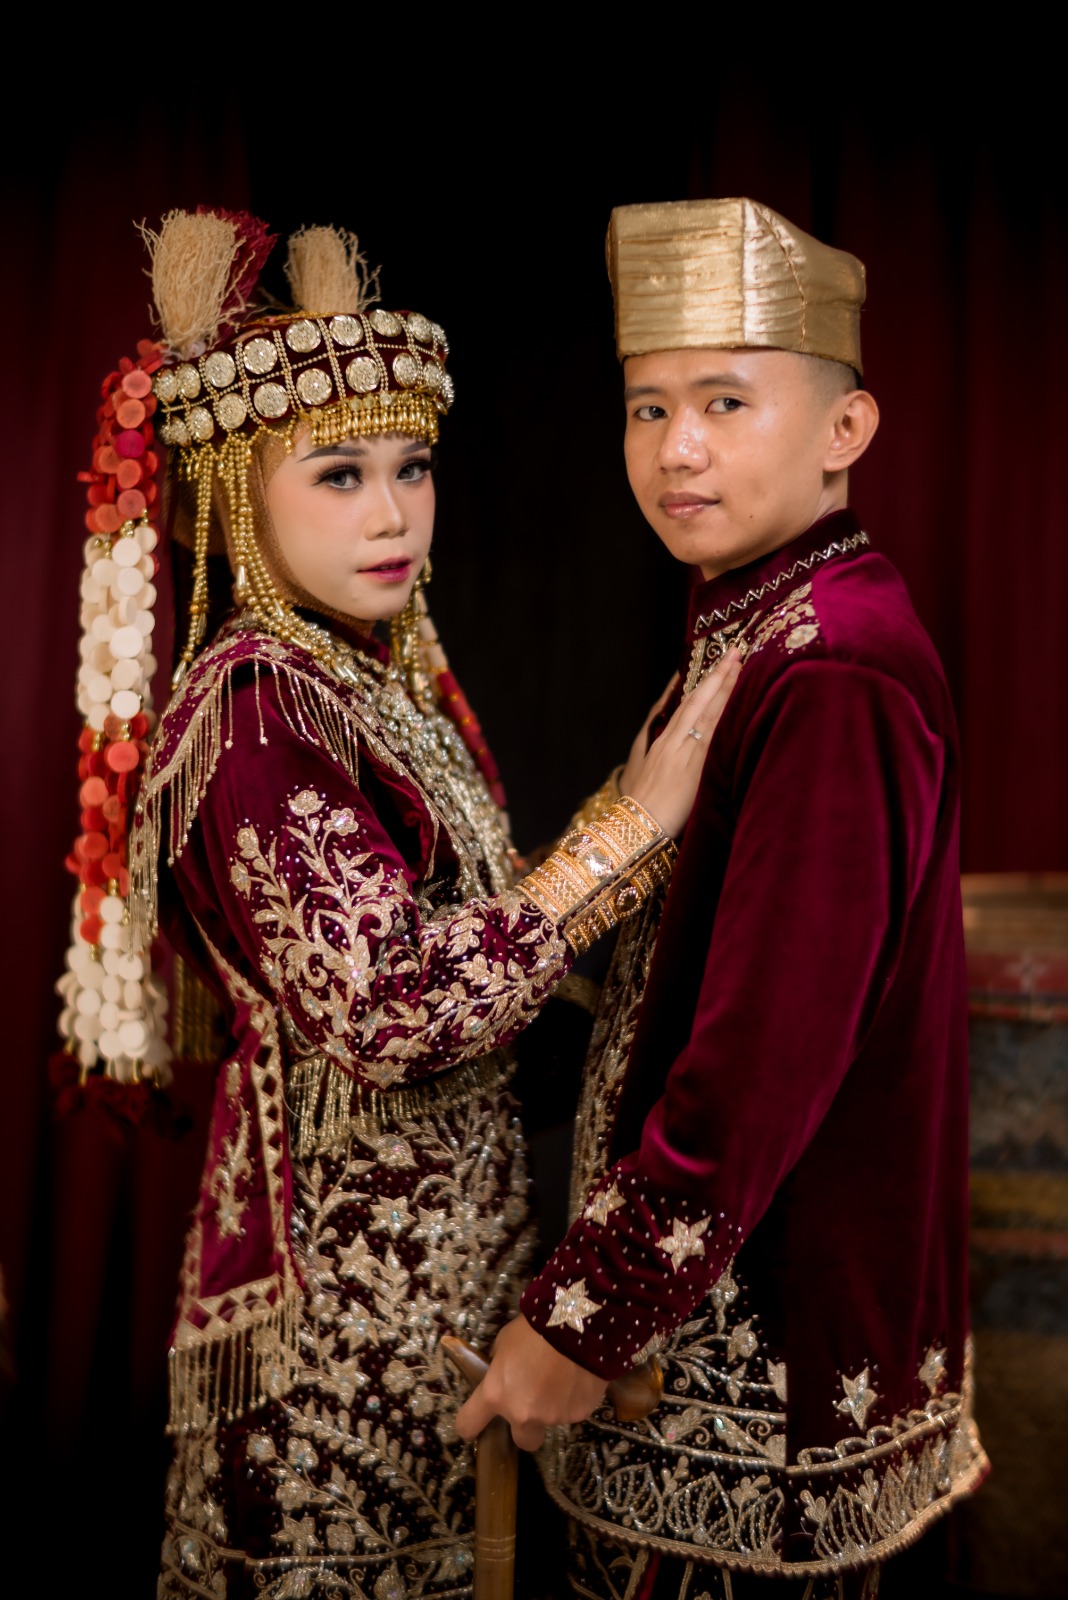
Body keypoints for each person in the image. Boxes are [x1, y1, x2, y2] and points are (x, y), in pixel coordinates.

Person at [53, 209, 738, 1600]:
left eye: (411, 468)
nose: (390, 514)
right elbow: (389, 1008)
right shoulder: (257, 714)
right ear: (238, 493)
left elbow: (489, 961)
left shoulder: (366, 679)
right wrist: (629, 832)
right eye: (340, 475)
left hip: (449, 1276)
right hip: (338, 1321)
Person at [457, 198, 989, 1598]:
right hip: (705, 1353)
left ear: (845, 430)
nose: (675, 449)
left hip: (755, 1381)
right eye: (648, 408)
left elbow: (762, 1055)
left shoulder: (832, 667)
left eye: (726, 402)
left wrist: (581, 1323)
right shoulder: (755, 621)